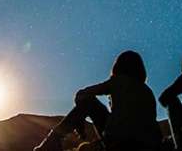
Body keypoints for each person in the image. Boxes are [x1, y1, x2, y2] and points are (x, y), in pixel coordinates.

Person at [34, 50, 163, 151]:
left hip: (119, 143)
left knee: (88, 101)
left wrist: (79, 123)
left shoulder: (118, 81)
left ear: (118, 66)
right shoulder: (147, 91)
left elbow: (82, 94)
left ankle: (52, 141)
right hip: (150, 144)